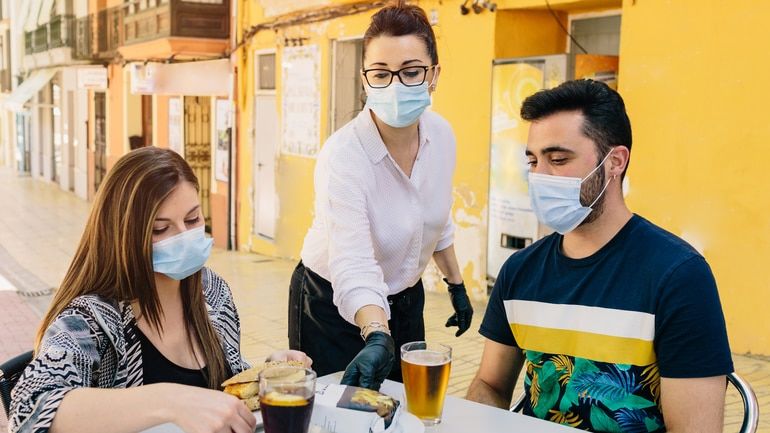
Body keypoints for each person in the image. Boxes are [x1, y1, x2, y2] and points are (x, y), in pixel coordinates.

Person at [467, 79, 733, 433]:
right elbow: (491, 385)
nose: (540, 177)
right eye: (533, 161)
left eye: (558, 159)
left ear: (615, 162)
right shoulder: (521, 270)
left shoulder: (678, 276)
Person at [9, 147, 311, 433]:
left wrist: (266, 377)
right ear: (125, 234)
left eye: (193, 219)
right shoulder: (90, 322)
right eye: (160, 229)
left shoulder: (213, 292)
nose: (184, 236)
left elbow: (223, 392)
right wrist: (170, 401)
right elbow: (29, 407)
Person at [288, 1, 473, 390]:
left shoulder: (442, 137)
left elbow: (436, 218)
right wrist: (376, 333)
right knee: (340, 412)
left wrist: (456, 286)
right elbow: (353, 263)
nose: (395, 86)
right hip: (331, 301)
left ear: (433, 75)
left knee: (402, 408)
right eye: (381, 74)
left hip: (405, 297)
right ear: (364, 79)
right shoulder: (344, 156)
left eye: (411, 72)